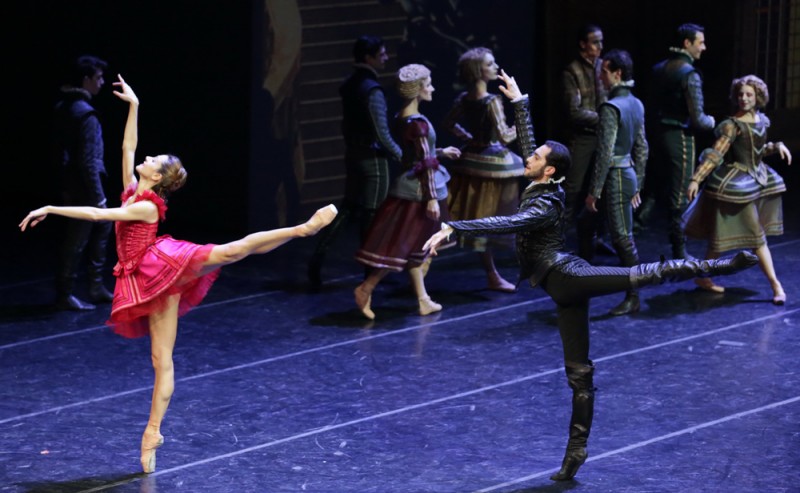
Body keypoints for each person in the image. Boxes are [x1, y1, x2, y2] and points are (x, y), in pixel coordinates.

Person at [424, 69, 757, 481]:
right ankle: (575, 454)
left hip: (569, 276)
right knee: (580, 374)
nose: (527, 157)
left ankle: (722, 265)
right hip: (561, 291)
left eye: (536, 158)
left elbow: (506, 224)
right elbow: (533, 146)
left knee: (646, 274)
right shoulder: (544, 181)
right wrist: (520, 102)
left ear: (548, 171)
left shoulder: (544, 205)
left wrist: (456, 226)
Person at [20, 75, 337, 474]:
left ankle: (302, 229)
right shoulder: (132, 189)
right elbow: (127, 146)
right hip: (144, 277)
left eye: (154, 161)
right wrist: (134, 105)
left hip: (163, 263)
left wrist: (50, 208)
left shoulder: (146, 206)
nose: (146, 158)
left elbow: (99, 214)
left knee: (233, 251)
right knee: (160, 359)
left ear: (156, 178)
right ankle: (153, 434)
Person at [353, 64, 460, 320]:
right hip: (417, 192)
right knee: (399, 247)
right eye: (429, 84)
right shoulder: (419, 124)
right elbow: (423, 163)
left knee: (415, 247)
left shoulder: (402, 118)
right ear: (418, 90)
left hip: (411, 185)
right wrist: (432, 198)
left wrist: (441, 152)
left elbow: (418, 155)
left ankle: (423, 299)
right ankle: (365, 288)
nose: (432, 88)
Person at [684, 75, 792, 304]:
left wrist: (777, 146)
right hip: (736, 185)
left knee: (719, 238)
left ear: (758, 97)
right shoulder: (732, 126)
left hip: (757, 180)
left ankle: (703, 277)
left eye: (749, 94)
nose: (744, 98)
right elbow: (716, 154)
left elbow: (759, 151)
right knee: (757, 238)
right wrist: (696, 178)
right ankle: (776, 285)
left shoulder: (762, 121)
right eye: (741, 94)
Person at [307, 35, 402, 288]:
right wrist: (400, 153)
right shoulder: (371, 88)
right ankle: (369, 271)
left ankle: (318, 257)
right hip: (372, 159)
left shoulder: (349, 84)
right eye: (381, 53)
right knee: (372, 215)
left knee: (348, 208)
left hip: (354, 155)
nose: (385, 57)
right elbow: (381, 132)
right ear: (368, 57)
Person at [441, 47, 523, 292]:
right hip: (491, 164)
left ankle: (493, 274)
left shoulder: (464, 99)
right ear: (478, 70)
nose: (496, 66)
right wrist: (522, 121)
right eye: (490, 63)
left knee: (482, 220)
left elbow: (448, 123)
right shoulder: (492, 101)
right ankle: (500, 273)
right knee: (497, 218)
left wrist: (468, 138)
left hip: (473, 160)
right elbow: (506, 136)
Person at [585, 49, 649, 316]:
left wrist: (594, 191)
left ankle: (633, 295)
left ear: (617, 74)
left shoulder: (612, 107)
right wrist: (639, 182)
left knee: (622, 239)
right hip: (629, 175)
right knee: (588, 226)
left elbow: (605, 152)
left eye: (604, 71)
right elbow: (643, 148)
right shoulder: (636, 103)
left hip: (616, 177)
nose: (600, 76)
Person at [643, 23, 715, 258]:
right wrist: (715, 122)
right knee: (680, 194)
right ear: (687, 43)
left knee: (655, 186)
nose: (703, 47)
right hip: (679, 137)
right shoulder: (689, 74)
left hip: (657, 134)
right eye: (700, 42)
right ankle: (679, 249)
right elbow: (698, 119)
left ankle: (632, 229)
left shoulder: (659, 68)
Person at [52, 55, 114, 310]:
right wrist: (98, 198)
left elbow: (61, 153)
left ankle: (95, 286)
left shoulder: (63, 106)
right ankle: (67, 292)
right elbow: (89, 161)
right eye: (98, 77)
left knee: (101, 229)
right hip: (86, 188)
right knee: (77, 240)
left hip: (73, 184)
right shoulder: (85, 114)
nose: (102, 82)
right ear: (86, 79)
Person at [561, 24, 612, 261]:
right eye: (595, 42)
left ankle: (597, 238)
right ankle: (557, 242)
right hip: (583, 137)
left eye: (601, 42)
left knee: (600, 189)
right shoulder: (572, 71)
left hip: (604, 137)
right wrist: (604, 118)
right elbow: (574, 112)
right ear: (583, 44)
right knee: (572, 190)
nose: (600, 47)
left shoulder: (605, 67)